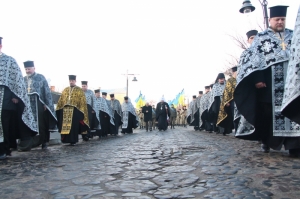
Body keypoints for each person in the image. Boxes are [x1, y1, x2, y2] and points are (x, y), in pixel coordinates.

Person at [235, 5, 300, 156]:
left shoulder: (293, 35)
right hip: (269, 82)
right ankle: (267, 141)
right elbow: (253, 60)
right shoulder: (261, 38)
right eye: (277, 19)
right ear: (270, 20)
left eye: (282, 19)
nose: (280, 22)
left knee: (292, 110)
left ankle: (295, 146)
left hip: (291, 83)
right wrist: (258, 78)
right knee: (268, 114)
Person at [0, 38, 38, 158]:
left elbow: (17, 81)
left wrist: (15, 95)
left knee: (5, 125)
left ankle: (4, 149)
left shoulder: (9, 61)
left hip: (5, 99)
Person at [23, 60, 57, 149]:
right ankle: (31, 143)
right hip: (28, 105)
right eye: (26, 69)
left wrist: (47, 104)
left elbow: (47, 92)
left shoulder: (41, 77)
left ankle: (44, 141)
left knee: (42, 124)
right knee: (29, 123)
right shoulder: (23, 79)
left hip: (39, 104)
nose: (27, 71)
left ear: (34, 68)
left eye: (29, 69)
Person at [233, 29, 258, 133]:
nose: (255, 39)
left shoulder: (268, 50)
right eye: (252, 38)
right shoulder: (246, 54)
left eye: (256, 37)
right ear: (248, 40)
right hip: (251, 88)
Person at [56, 75, 89, 145]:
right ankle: (65, 140)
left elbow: (82, 101)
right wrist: (59, 108)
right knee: (65, 125)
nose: (71, 82)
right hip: (65, 110)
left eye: (72, 81)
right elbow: (61, 100)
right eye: (70, 81)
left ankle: (73, 140)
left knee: (73, 126)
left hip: (75, 110)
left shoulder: (79, 90)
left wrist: (81, 110)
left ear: (75, 81)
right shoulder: (65, 90)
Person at [217, 66, 237, 136]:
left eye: (222, 79)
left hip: (240, 99)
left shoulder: (240, 78)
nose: (222, 80)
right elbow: (227, 92)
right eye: (220, 79)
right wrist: (227, 101)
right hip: (231, 100)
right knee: (234, 115)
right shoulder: (230, 81)